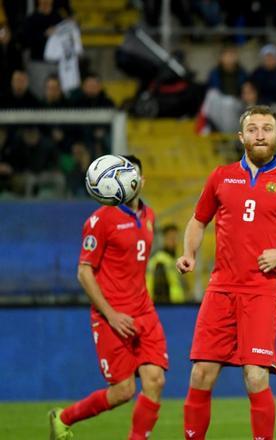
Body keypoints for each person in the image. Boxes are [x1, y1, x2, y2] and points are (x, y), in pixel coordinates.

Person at [176, 105, 276, 440]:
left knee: (255, 376)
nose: (260, 135)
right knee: (201, 373)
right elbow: (199, 219)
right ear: (241, 136)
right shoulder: (220, 176)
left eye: (267, 128)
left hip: (262, 291)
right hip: (221, 288)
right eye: (253, 129)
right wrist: (189, 253)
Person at [49, 155, 168, 440]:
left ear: (142, 180)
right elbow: (83, 272)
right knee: (123, 391)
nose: (130, 181)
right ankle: (63, 418)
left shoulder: (149, 216)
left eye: (133, 175)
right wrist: (112, 314)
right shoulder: (100, 220)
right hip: (111, 317)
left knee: (156, 380)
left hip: (144, 312)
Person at [147, 223, 188, 303]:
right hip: (167, 307)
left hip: (175, 305)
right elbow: (159, 288)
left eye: (175, 237)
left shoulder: (172, 259)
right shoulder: (160, 260)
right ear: (164, 239)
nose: (174, 241)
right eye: (171, 238)